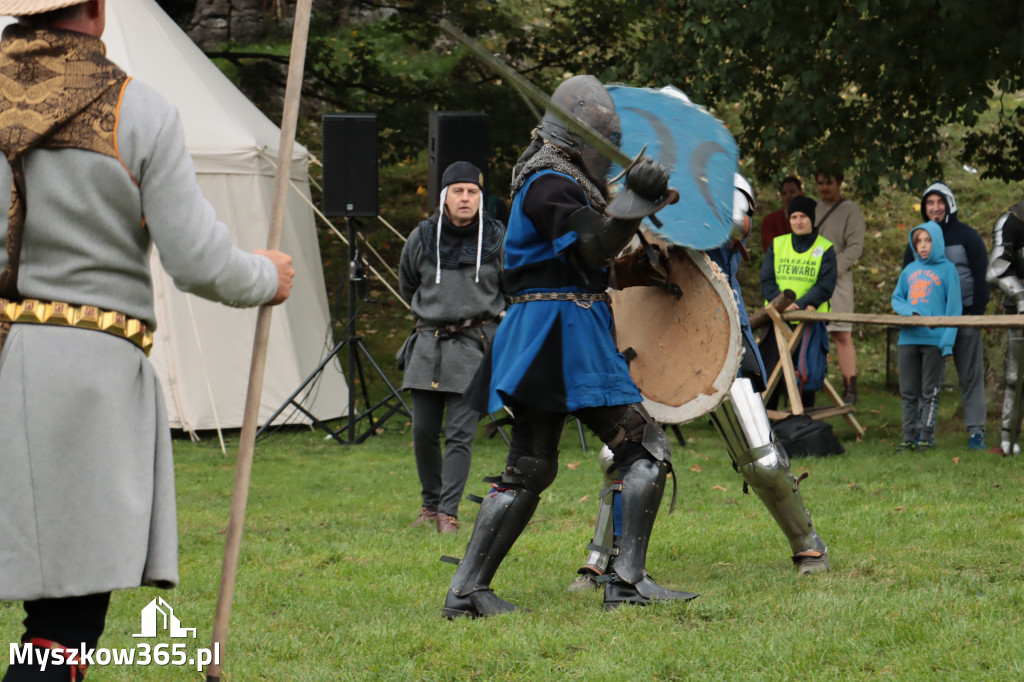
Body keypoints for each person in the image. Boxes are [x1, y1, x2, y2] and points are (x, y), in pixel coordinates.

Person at [0, 2, 295, 679]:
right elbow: (197, 261)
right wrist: (264, 276)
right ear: (98, 11)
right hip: (81, 386)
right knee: (60, 627)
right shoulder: (137, 109)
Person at [441, 74, 697, 618]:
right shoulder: (548, 182)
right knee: (643, 445)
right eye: (600, 138)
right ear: (578, 135)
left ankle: (466, 592)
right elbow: (592, 245)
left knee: (530, 466)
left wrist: (638, 213)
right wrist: (637, 198)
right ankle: (625, 581)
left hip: (548, 329)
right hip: (560, 332)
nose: (605, 152)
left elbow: (597, 251)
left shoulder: (553, 178)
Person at [568, 175, 830, 593]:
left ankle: (808, 543)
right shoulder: (632, 180)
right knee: (617, 453)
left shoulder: (720, 176)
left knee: (761, 460)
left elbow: (736, 226)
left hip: (716, 331)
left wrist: (673, 207)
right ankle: (603, 559)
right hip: (652, 336)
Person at [398, 161, 506, 534]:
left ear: (480, 197)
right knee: (424, 431)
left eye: (472, 192)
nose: (465, 198)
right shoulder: (422, 236)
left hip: (474, 346)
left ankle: (448, 512)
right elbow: (408, 284)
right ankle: (430, 507)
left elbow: (510, 288)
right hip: (429, 343)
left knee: (460, 432)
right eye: (458, 191)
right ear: (445, 196)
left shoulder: (496, 238)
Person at [903, 182, 990, 450]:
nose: (935, 208)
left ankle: (976, 431)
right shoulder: (917, 238)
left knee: (970, 376)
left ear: (949, 203)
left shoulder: (968, 236)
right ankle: (922, 431)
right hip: (928, 324)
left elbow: (981, 274)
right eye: (930, 203)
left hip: (964, 316)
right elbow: (907, 279)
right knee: (924, 382)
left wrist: (975, 312)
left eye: (940, 202)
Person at [760, 195, 837, 410]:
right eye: (794, 216)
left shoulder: (825, 248)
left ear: (811, 218)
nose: (798, 221)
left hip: (809, 322)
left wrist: (801, 304)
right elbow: (766, 279)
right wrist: (782, 303)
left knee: (806, 375)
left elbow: (825, 285)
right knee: (772, 372)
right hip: (777, 319)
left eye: (803, 216)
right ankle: (770, 422)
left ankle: (804, 422)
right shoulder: (778, 244)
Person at [891, 222, 962, 451]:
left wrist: (947, 341)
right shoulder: (909, 270)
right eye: (918, 241)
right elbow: (897, 299)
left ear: (937, 242)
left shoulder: (948, 270)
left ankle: (925, 436)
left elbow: (954, 309)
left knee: (929, 392)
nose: (923, 245)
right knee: (908, 392)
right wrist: (908, 311)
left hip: (934, 340)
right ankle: (907, 437)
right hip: (908, 339)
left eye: (928, 240)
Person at [814, 169, 865, 404]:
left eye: (829, 182)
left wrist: (831, 269)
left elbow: (855, 247)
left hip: (839, 280)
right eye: (821, 183)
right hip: (813, 279)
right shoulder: (814, 209)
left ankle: (850, 389)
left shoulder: (850, 210)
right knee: (815, 332)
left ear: (839, 182)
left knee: (841, 333)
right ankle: (813, 384)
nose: (824, 187)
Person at [986, 198, 1024, 456]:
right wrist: (1021, 298)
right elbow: (996, 270)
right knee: (1016, 378)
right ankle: (1008, 442)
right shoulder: (1011, 222)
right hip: (1020, 310)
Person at [759, 175, 803, 254]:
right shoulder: (770, 220)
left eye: (792, 192)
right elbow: (770, 250)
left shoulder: (811, 219)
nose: (788, 196)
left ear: (800, 192)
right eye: (784, 193)